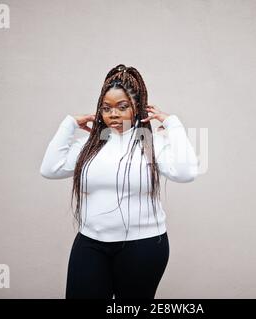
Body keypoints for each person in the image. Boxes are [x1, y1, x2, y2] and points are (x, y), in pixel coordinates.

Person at [40, 64, 199, 299]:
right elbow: (50, 169)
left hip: (143, 246)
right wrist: (69, 124)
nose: (113, 114)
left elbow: (186, 173)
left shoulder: (153, 143)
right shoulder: (89, 146)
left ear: (138, 107)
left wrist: (173, 124)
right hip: (91, 243)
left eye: (122, 107)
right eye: (106, 108)